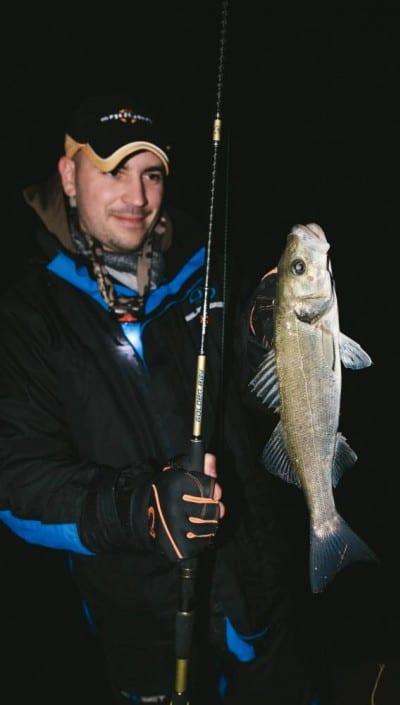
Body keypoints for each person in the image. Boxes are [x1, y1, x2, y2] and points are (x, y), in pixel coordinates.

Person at [0, 94, 314, 705]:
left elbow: (257, 398)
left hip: (259, 599)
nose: (137, 197)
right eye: (112, 170)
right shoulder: (27, 320)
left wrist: (270, 339)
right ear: (68, 173)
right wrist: (140, 510)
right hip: (145, 632)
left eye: (151, 173)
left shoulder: (207, 271)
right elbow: (15, 483)